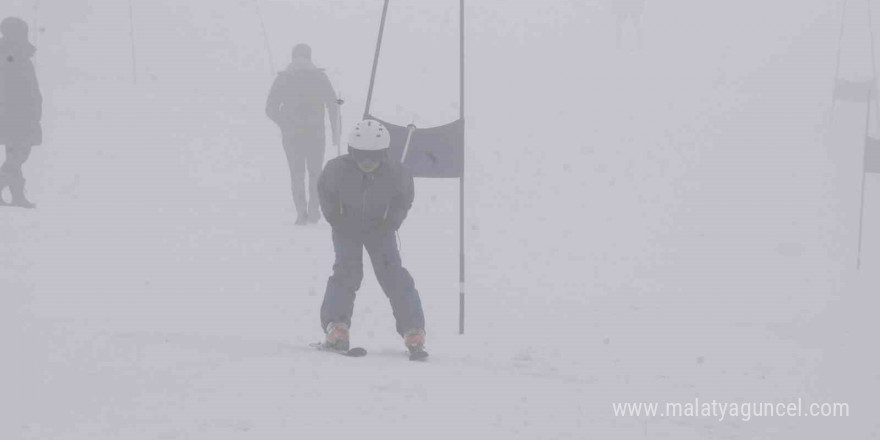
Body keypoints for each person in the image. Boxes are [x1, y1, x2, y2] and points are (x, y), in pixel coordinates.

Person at [317, 119, 427, 356]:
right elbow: (325, 192)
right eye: (361, 156)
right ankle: (336, 326)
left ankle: (413, 328)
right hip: (347, 226)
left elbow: (404, 198)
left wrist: (391, 222)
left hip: (380, 228)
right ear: (352, 152)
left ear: (384, 155)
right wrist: (336, 218)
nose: (368, 163)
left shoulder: (397, 173)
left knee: (393, 274)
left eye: (374, 157)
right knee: (347, 272)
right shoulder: (336, 170)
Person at [266, 43, 340, 225]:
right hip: (316, 134)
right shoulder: (320, 77)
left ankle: (301, 214)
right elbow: (333, 106)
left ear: (293, 57)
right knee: (316, 173)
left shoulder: (283, 78)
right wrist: (335, 133)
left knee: (296, 174)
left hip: (292, 137)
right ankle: (314, 211)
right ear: (309, 57)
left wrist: (284, 123)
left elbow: (270, 109)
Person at [0, 17, 42, 208]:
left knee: (15, 155)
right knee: (19, 154)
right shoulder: (10, 54)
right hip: (17, 115)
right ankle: (11, 192)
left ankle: (17, 196)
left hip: (20, 114)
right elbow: (16, 88)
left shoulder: (15, 53)